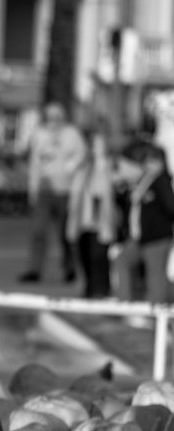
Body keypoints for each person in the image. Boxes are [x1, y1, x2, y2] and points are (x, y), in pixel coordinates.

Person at [18, 101, 87, 283]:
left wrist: (69, 168)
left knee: (66, 233)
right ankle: (34, 269)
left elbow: (82, 155)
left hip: (65, 191)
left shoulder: (72, 134)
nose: (54, 120)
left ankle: (69, 268)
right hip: (44, 190)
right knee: (38, 231)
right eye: (50, 116)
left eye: (57, 116)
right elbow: (34, 163)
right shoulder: (39, 134)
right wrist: (32, 190)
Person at [112, 133, 174, 315]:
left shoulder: (160, 182)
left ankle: (158, 313)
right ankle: (125, 306)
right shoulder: (140, 182)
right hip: (138, 238)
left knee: (156, 277)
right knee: (122, 261)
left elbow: (170, 207)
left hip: (157, 238)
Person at [65, 130, 117, 299]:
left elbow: (127, 176)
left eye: (100, 144)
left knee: (99, 257)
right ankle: (89, 288)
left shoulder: (113, 165)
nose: (97, 148)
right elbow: (71, 179)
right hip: (84, 218)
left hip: (102, 221)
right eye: (94, 144)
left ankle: (101, 290)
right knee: (84, 255)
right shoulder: (85, 166)